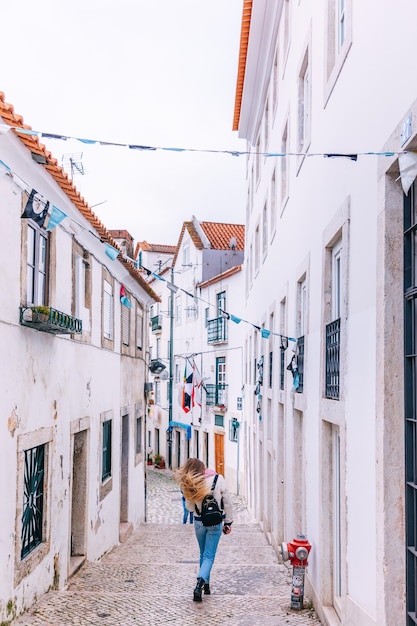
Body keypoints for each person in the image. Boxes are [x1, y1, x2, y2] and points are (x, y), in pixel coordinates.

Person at [175, 458, 233, 602]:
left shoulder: (192, 483)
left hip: (199, 522)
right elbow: (228, 503)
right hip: (215, 522)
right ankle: (200, 583)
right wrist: (228, 522)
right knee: (209, 555)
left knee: (203, 554)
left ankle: (206, 585)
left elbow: (189, 508)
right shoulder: (218, 479)